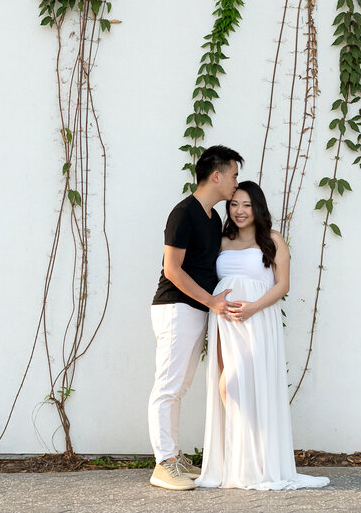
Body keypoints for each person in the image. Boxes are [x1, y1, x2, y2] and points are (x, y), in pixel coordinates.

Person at [195, 180, 329, 490]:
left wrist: (254, 307)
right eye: (234, 204)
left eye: (247, 205)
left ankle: (259, 460)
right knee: (227, 387)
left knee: (251, 388)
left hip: (257, 320)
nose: (240, 211)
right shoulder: (222, 240)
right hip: (225, 322)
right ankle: (243, 460)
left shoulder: (272, 239)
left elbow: (282, 285)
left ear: (257, 208)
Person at [148, 145, 244, 491]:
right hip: (176, 308)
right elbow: (172, 270)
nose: (236, 182)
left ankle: (173, 456)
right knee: (168, 386)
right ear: (216, 175)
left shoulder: (213, 218)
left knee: (181, 385)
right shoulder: (184, 213)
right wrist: (212, 302)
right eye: (233, 175)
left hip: (196, 310)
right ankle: (163, 463)